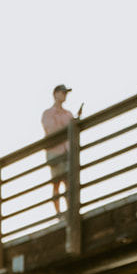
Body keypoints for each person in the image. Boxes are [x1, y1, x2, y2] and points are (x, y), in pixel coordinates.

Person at [41, 84, 79, 217]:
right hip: (54, 151)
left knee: (68, 183)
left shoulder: (68, 114)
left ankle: (70, 211)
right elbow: (52, 131)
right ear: (55, 94)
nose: (64, 95)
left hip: (66, 151)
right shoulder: (48, 113)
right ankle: (58, 213)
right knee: (56, 183)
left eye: (65, 93)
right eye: (62, 93)